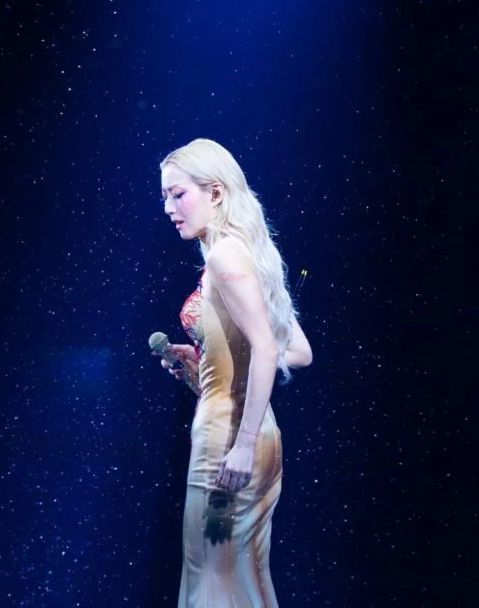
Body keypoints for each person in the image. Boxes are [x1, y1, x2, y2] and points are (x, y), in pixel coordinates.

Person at [153, 138, 313, 607]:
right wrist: (208, 362)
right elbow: (297, 351)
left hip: (231, 438)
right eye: (164, 197)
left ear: (216, 192)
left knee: (212, 579)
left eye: (178, 194)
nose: (169, 208)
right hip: (252, 430)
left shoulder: (225, 256)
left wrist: (241, 445)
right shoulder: (244, 253)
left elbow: (267, 347)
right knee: (240, 577)